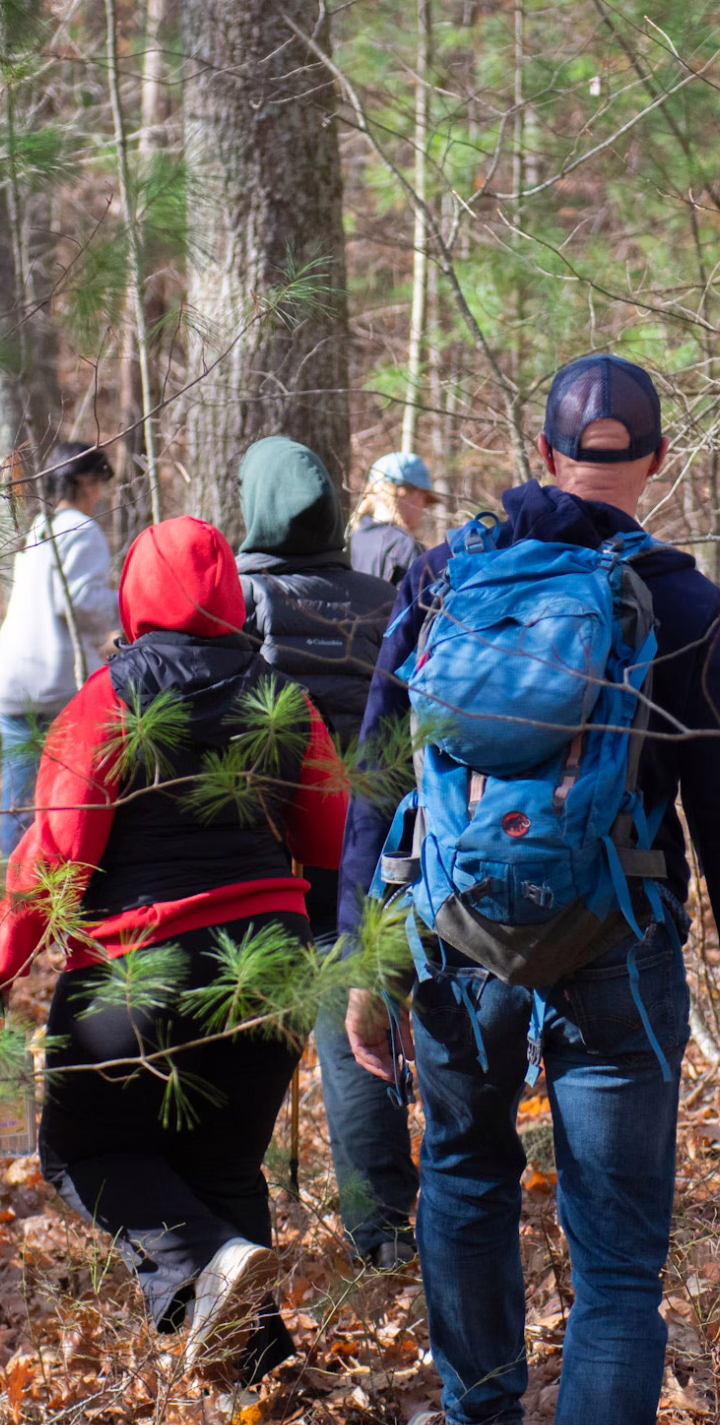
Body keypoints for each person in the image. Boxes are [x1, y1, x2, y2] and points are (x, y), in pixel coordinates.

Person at [337, 353, 720, 1425]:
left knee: (468, 1169)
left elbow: (379, 779)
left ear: (543, 456)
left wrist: (363, 958)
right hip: (618, 946)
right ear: (649, 464)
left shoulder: (443, 580)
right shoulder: (683, 605)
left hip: (457, 940)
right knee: (615, 1261)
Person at [0, 516, 347, 1384]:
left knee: (83, 1153)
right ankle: (264, 1387)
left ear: (135, 594)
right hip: (270, 967)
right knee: (221, 1167)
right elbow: (328, 836)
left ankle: (214, 1275)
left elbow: (57, 858)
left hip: (138, 973)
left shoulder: (106, 700)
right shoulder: (282, 699)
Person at [230, 436, 413, 1268]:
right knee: (358, 1038)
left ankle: (221, 1224)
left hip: (262, 856)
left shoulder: (236, 601)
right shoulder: (385, 601)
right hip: (368, 856)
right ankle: (383, 1231)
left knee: (241, 1039)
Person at [0, 441, 118, 857]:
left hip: (12, 680)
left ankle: (15, 894)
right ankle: (58, 891)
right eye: (99, 483)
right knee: (65, 802)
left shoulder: (38, 527)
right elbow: (80, 603)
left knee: (21, 802)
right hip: (56, 683)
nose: (100, 495)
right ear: (82, 483)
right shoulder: (82, 529)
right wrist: (123, 600)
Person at [348, 449, 442, 586]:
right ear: (405, 494)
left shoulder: (349, 537)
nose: (425, 509)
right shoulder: (405, 547)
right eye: (425, 500)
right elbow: (419, 605)